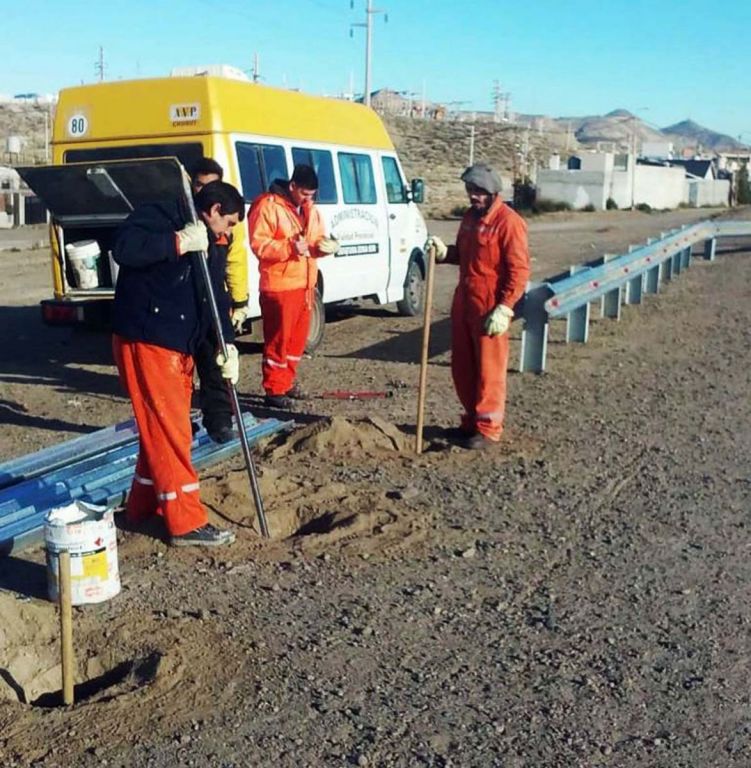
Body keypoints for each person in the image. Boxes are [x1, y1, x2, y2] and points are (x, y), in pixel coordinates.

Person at [112, 180, 244, 547]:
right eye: (230, 223)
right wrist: (178, 242)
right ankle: (185, 523)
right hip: (147, 338)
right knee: (172, 431)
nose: (229, 232)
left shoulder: (215, 243)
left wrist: (227, 347)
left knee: (161, 429)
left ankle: (141, 507)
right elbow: (125, 249)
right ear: (215, 210)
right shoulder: (158, 216)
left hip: (178, 346)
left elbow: (215, 296)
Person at [425, 163, 530, 450]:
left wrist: (505, 307)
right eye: (470, 191)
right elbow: (464, 255)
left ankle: (488, 427)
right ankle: (471, 421)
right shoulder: (470, 218)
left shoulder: (509, 222)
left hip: (490, 306)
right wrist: (446, 253)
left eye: (479, 192)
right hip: (465, 301)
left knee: (489, 370)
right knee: (464, 367)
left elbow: (519, 271)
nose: (473, 197)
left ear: (493, 192)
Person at [247, 164, 340, 409]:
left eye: (312, 195)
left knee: (296, 341)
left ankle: (286, 382)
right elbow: (259, 245)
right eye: (305, 194)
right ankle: (274, 389)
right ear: (293, 186)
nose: (309, 199)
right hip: (279, 287)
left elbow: (316, 239)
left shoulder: (311, 210)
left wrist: (324, 247)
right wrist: (289, 247)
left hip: (305, 285)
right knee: (279, 340)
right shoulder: (267, 206)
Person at [190, 158, 250, 443]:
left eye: (210, 185)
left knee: (216, 364)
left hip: (214, 301)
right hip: (186, 305)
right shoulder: (186, 219)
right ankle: (181, 423)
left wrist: (240, 301)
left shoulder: (227, 224)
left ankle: (220, 422)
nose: (204, 190)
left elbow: (235, 263)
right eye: (199, 184)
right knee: (181, 371)